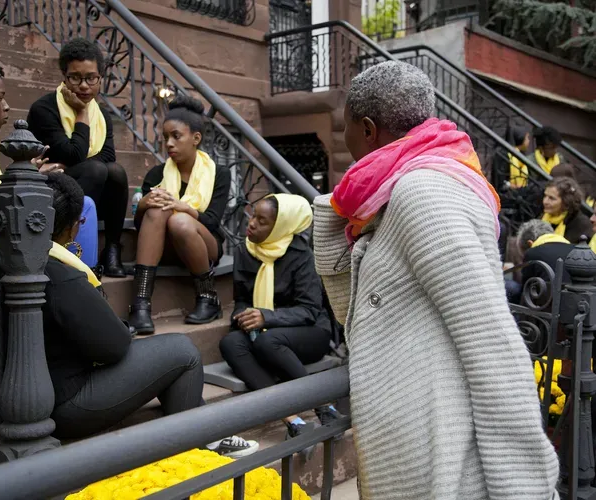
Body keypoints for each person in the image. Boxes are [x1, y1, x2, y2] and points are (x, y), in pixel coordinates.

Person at [312, 61, 559, 499]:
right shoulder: (403, 184)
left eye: (344, 126)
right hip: (420, 445)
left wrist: (524, 489)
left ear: (367, 129)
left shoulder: (423, 192)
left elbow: (491, 344)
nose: (344, 137)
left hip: (442, 465)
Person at [0, 173, 257, 457]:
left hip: (12, 393)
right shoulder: (61, 274)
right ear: (71, 228)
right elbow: (114, 347)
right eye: (81, 223)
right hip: (63, 406)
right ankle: (195, 448)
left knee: (160, 357)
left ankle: (208, 433)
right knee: (183, 351)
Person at [219, 194, 342, 446]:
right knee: (230, 343)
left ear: (280, 227)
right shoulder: (245, 250)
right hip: (264, 331)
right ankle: (294, 421)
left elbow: (309, 310)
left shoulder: (300, 255)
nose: (251, 223)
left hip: (308, 332)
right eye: (253, 215)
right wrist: (241, 316)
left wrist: (266, 316)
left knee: (268, 341)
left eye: (262, 221)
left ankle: (323, 407)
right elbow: (241, 298)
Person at [0, 52, 98, 268]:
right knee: (84, 206)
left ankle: (77, 278)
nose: (6, 106)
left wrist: (27, 176)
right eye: (0, 98)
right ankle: (80, 280)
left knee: (83, 204)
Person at [27, 38, 128, 277]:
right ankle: (69, 245)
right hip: (52, 193)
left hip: (90, 190)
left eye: (91, 78)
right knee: (97, 170)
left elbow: (108, 155)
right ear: (64, 76)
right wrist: (81, 113)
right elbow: (75, 153)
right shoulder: (45, 109)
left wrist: (70, 161)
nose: (84, 86)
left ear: (101, 78)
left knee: (115, 171)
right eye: (75, 77)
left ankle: (112, 248)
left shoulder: (101, 115)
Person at [129, 95, 230, 333]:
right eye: (165, 138)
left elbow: (213, 221)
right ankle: (140, 304)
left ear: (196, 138)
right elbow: (140, 226)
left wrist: (182, 206)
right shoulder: (157, 174)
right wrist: (143, 204)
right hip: (164, 247)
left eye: (176, 136)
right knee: (157, 209)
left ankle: (208, 297)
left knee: (180, 221)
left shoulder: (219, 173)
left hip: (204, 244)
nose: (169, 144)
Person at [517, 219, 572, 289]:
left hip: (548, 298)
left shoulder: (532, 253)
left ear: (530, 243)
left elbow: (526, 290)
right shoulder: (578, 250)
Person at [541, 177, 592, 244]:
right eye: (545, 196)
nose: (545, 201)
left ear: (566, 202)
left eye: (551, 198)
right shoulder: (545, 215)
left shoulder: (581, 225)